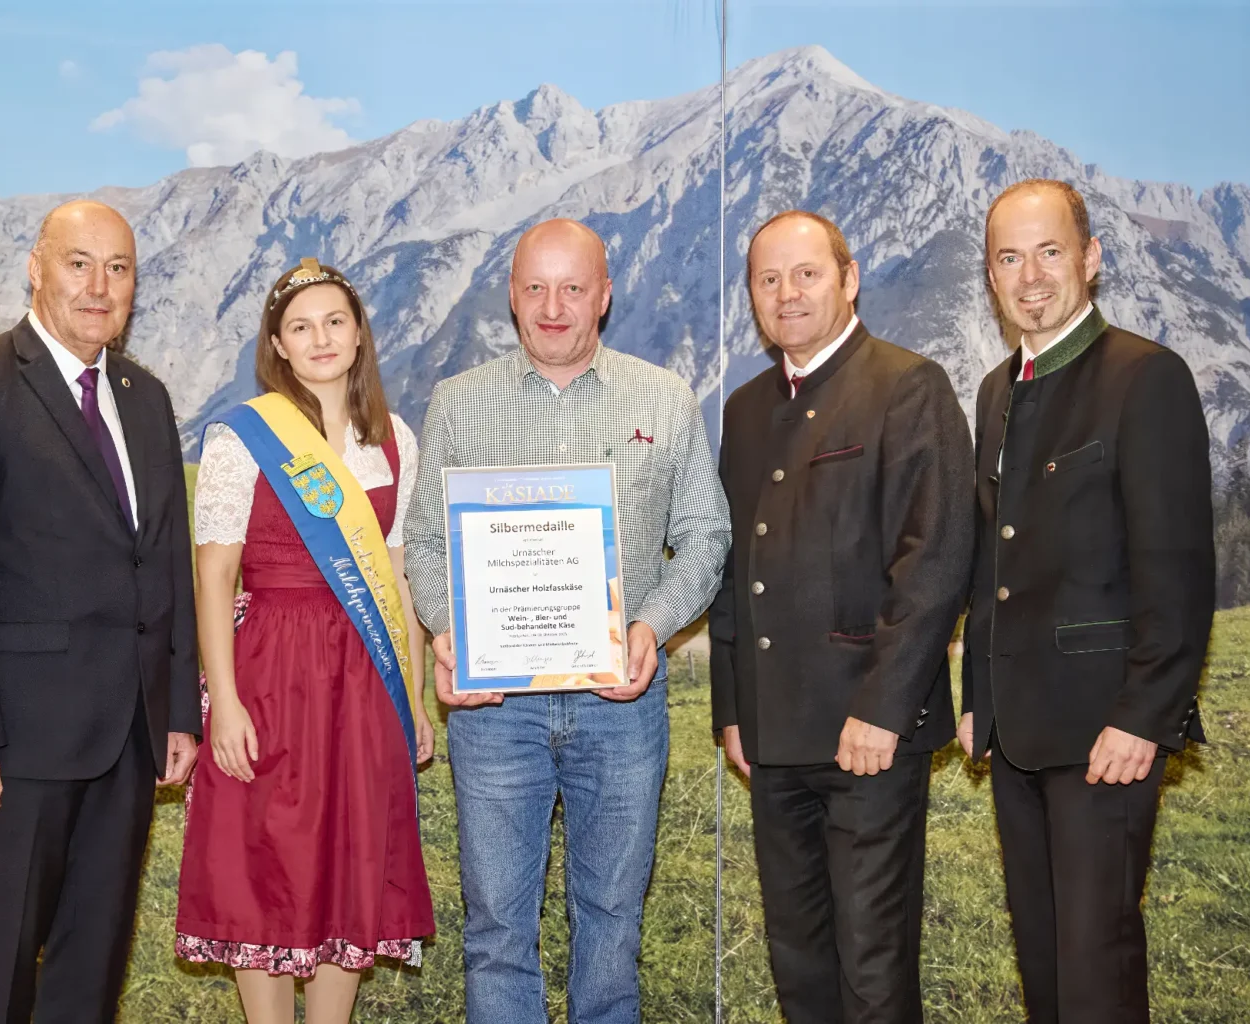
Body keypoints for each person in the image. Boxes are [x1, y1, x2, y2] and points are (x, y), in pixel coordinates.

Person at [403, 219, 730, 1024]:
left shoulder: (664, 398)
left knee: (613, 927)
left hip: (620, 709)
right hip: (494, 713)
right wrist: (451, 632)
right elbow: (423, 539)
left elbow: (706, 535)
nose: (554, 307)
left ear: (605, 296)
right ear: (512, 298)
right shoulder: (458, 402)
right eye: (535, 288)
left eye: (573, 288)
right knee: (496, 933)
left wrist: (650, 626)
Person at [0, 199, 200, 1022]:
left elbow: (165, 560)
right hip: (18, 746)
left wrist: (177, 711)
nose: (99, 287)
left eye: (119, 269)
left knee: (90, 970)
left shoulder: (147, 397)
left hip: (130, 743)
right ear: (36, 268)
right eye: (80, 264)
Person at [708, 210, 973, 1024]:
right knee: (799, 959)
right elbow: (730, 567)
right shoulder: (747, 408)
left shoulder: (907, 385)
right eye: (768, 279)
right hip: (773, 734)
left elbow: (933, 562)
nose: (787, 294)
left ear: (849, 279)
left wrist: (884, 709)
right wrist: (731, 710)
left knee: (872, 964)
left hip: (868, 733)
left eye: (807, 274)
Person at [961, 179, 1215, 1024]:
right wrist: (978, 701)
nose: (1030, 276)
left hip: (1107, 732)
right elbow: (993, 561)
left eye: (1049, 251)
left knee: (1095, 972)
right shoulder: (996, 392)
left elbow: (1177, 575)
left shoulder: (1147, 377)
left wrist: (1145, 717)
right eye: (1009, 257)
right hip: (1017, 733)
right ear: (990, 277)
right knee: (1042, 962)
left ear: (1091, 259)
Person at [174, 258, 435, 1024]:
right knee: (268, 856)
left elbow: (397, 579)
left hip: (364, 672)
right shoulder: (243, 437)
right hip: (270, 669)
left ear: (358, 336)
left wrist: (411, 699)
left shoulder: (394, 442)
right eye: (300, 327)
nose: (319, 338)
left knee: (350, 852)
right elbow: (214, 575)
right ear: (278, 346)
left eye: (334, 321)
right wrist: (222, 701)